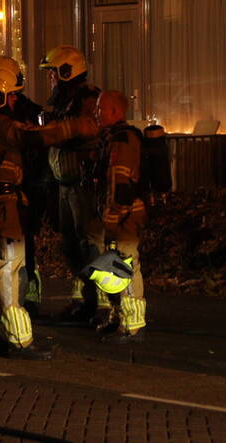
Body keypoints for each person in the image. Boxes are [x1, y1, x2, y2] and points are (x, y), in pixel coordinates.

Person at [0, 66, 97, 359]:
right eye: (11, 97)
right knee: (11, 271)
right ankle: (19, 339)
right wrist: (75, 127)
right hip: (5, 206)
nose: (14, 103)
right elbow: (32, 136)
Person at [38, 45, 106, 323]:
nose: (51, 78)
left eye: (53, 72)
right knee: (71, 244)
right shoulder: (64, 101)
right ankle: (83, 300)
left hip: (83, 182)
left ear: (67, 71)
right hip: (65, 182)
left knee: (92, 242)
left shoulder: (88, 99)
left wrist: (52, 131)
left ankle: (103, 303)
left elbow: (85, 131)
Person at [0, 56, 47, 315]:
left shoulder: (23, 115)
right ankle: (18, 297)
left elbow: (36, 146)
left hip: (26, 187)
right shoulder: (1, 118)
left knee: (22, 249)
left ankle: (27, 295)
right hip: (19, 188)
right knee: (13, 250)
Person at [94, 90, 147, 342]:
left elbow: (120, 183)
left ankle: (132, 325)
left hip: (125, 215)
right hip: (117, 213)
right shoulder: (111, 138)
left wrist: (113, 215)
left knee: (126, 267)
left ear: (115, 112)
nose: (96, 113)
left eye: (100, 108)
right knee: (112, 269)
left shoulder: (122, 141)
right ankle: (117, 317)